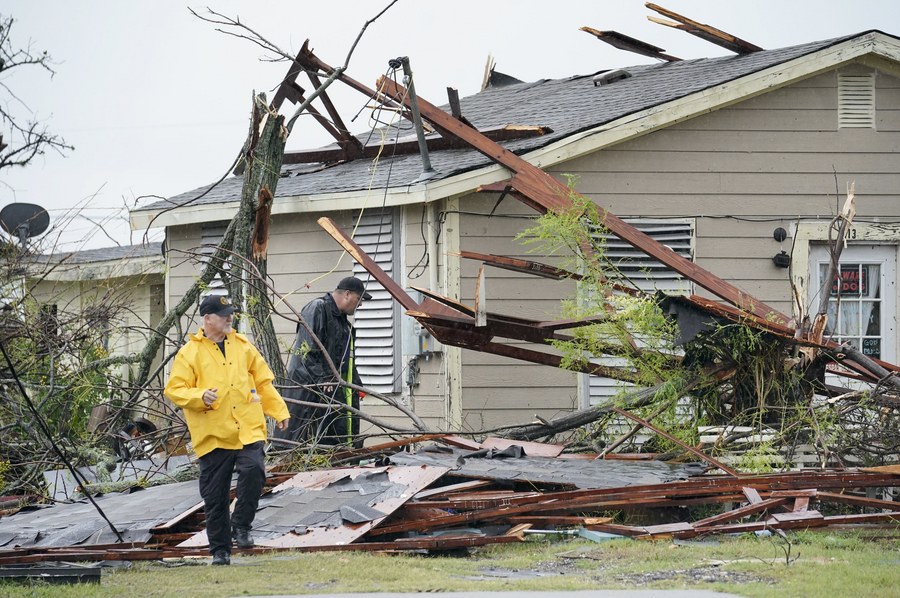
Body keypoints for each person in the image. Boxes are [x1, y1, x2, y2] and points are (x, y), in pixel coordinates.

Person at [164, 294, 290, 566]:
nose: (229, 318)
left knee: (254, 471)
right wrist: (199, 397)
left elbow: (264, 382)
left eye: (230, 314)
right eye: (224, 315)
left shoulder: (243, 346)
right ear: (207, 319)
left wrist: (278, 411)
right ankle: (220, 549)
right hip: (214, 434)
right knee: (215, 495)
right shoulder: (190, 353)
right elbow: (174, 389)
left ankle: (242, 524)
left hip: (248, 427)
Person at [275, 276, 371, 448]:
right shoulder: (318, 308)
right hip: (310, 389)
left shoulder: (343, 323)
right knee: (306, 442)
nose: (360, 305)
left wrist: (356, 385)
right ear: (347, 294)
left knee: (332, 443)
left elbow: (345, 359)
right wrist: (324, 378)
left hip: (331, 390)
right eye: (359, 299)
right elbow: (308, 350)